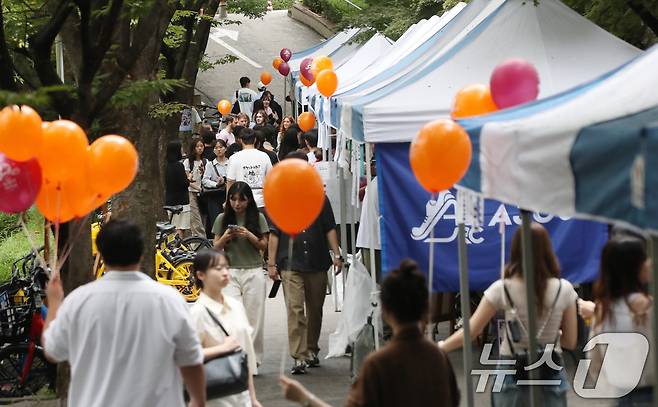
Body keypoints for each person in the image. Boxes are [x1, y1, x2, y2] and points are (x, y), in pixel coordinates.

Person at [43, 219, 205, 407]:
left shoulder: (79, 301)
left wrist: (54, 302)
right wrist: (198, 401)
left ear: (101, 254)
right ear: (142, 251)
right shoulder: (169, 300)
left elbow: (52, 350)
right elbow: (191, 359)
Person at [279, 259, 460, 407]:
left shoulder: (378, 363)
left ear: (386, 312)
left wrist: (305, 398)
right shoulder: (438, 357)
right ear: (425, 310)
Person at [439, 223, 578, 407]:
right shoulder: (564, 289)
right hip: (549, 370)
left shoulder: (501, 289)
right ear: (548, 250)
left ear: (515, 250)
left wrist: (441, 347)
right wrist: (555, 336)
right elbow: (570, 341)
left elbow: (471, 331)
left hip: (510, 368)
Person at [267, 152, 342, 374]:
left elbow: (329, 227)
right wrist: (271, 264)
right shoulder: (279, 197)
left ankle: (311, 349)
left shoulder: (320, 197)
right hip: (290, 262)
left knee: (315, 308)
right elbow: (274, 233)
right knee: (295, 308)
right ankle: (298, 355)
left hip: (318, 260)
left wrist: (337, 254)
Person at [190, 249, 262, 407]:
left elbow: (245, 355)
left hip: (241, 396)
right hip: (215, 397)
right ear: (200, 275)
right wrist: (223, 348)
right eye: (218, 269)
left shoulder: (236, 306)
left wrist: (253, 398)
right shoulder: (197, 313)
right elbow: (188, 356)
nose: (224, 272)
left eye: (226, 267)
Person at [589, 237, 653, 405]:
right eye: (644, 258)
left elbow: (594, 361)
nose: (649, 263)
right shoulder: (649, 308)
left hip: (619, 394)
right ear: (634, 267)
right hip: (651, 393)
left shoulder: (602, 309)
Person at [213, 182, 269, 367]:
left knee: (254, 319)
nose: (237, 204)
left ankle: (253, 360)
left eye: (241, 200)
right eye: (233, 199)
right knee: (232, 317)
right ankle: (235, 358)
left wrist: (249, 235)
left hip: (253, 270)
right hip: (230, 272)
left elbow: (264, 245)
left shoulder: (258, 217)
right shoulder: (222, 218)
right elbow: (215, 247)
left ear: (249, 200)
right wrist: (225, 237)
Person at [226, 128, 272, 210]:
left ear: (240, 140)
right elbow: (271, 178)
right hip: (261, 201)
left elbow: (230, 181)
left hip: (240, 202)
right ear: (254, 140)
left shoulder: (234, 158)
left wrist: (228, 201)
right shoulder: (264, 156)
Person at [202, 139, 229, 239]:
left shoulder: (230, 163)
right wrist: (215, 184)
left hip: (227, 195)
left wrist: (225, 180)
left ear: (225, 149)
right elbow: (204, 180)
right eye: (216, 148)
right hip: (214, 196)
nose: (218, 150)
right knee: (216, 221)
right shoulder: (210, 164)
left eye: (221, 147)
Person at [165, 141, 191, 237]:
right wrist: (189, 179)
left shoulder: (166, 166)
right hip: (181, 202)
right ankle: (178, 247)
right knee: (180, 228)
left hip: (170, 200)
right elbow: (184, 183)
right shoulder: (179, 165)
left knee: (172, 227)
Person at [184, 137, 207, 237]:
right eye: (197, 146)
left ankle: (200, 241)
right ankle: (199, 242)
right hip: (191, 192)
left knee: (203, 218)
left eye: (201, 146)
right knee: (195, 219)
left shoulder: (206, 162)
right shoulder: (187, 162)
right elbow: (187, 180)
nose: (200, 148)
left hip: (204, 194)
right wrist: (197, 188)